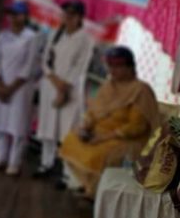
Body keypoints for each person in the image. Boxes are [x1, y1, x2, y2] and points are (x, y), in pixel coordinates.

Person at [60, 46, 159, 199]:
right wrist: (86, 126)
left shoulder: (140, 90)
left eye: (117, 66)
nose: (112, 70)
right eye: (110, 66)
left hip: (125, 139)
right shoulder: (108, 86)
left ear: (130, 67)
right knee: (72, 139)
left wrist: (104, 137)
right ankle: (88, 186)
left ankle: (97, 193)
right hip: (99, 133)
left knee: (99, 152)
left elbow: (137, 127)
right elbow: (94, 112)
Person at [33, 0, 95, 177]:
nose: (67, 17)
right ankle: (46, 163)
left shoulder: (86, 39)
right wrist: (55, 81)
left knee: (68, 131)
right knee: (48, 127)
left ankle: (67, 173)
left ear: (79, 17)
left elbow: (80, 67)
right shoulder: (55, 34)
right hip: (51, 86)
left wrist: (64, 87)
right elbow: (45, 60)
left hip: (71, 89)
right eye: (65, 13)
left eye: (72, 14)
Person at [0, 1, 40, 175]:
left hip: (20, 88)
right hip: (1, 85)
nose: (13, 18)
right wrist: (0, 84)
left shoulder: (31, 37)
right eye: (11, 14)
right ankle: (0, 157)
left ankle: (14, 162)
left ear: (25, 16)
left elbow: (29, 66)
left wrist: (11, 88)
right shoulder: (3, 36)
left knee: (18, 127)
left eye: (17, 14)